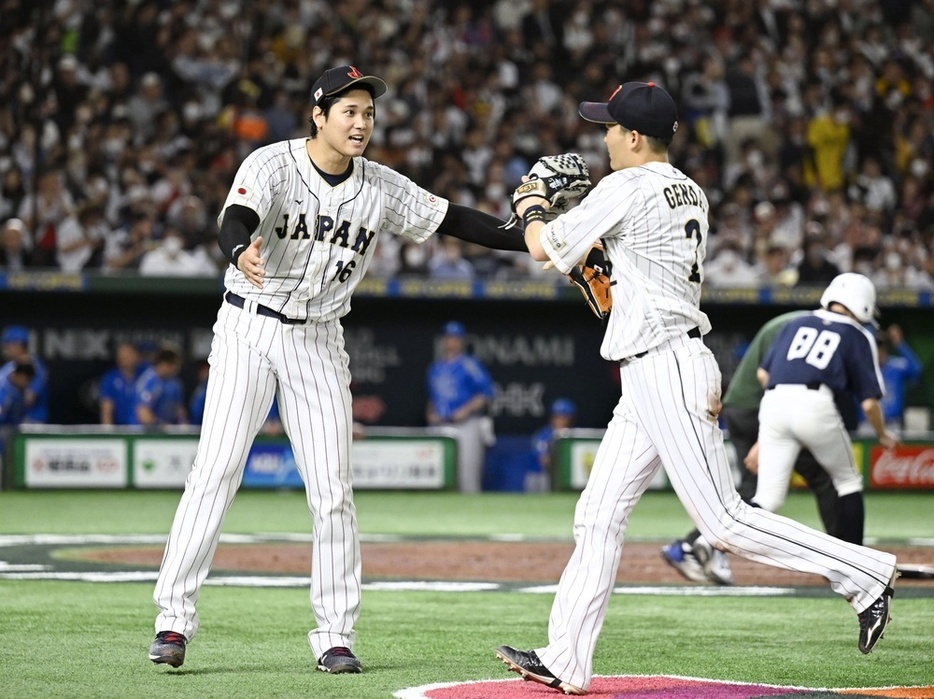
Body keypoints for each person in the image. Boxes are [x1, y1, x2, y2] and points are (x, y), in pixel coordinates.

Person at [494, 81, 898, 696]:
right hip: (653, 366)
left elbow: (541, 250)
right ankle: (565, 659)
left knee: (725, 519)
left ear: (633, 137)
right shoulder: (690, 188)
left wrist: (532, 203)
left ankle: (865, 572)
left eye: (608, 127)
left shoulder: (627, 184)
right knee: (597, 515)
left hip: (666, 365)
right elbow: (614, 263)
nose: (602, 136)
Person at [149, 65, 529, 674]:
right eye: (348, 111)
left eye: (368, 113)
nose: (361, 122)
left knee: (332, 493)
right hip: (250, 324)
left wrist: (528, 239)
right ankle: (173, 620)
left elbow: (454, 218)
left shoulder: (380, 186)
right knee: (215, 472)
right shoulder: (271, 164)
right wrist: (235, 249)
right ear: (318, 115)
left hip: (320, 340)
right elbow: (235, 219)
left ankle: (335, 634)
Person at [662, 309, 844, 586]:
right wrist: (765, 437)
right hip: (759, 410)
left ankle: (690, 546)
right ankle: (840, 560)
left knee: (754, 489)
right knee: (823, 478)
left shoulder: (797, 322)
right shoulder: (806, 327)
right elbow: (772, 377)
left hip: (749, 409)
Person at [752, 273, 899, 546]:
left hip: (773, 401)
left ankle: (702, 545)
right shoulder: (857, 333)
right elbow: (869, 403)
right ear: (863, 305)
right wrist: (882, 434)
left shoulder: (797, 322)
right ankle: (858, 564)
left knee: (767, 498)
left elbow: (763, 374)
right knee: (848, 481)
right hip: (814, 403)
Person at [425, 320, 495, 493]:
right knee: (438, 476)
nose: (450, 342)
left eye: (455, 338)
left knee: (467, 477)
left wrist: (465, 410)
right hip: (440, 425)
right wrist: (430, 413)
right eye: (448, 337)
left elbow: (486, 393)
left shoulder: (469, 364)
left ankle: (472, 517)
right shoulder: (436, 367)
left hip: (466, 426)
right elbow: (432, 396)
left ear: (461, 341)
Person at [857, 323, 923, 436]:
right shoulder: (861, 368)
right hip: (867, 425)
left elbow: (916, 370)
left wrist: (899, 343)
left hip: (892, 425)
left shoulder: (896, 365)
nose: (878, 352)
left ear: (885, 348)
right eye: (874, 348)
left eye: (880, 347)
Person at [0, 325, 49, 423]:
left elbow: (29, 399)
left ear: (19, 344)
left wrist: (13, 393)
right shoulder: (7, 368)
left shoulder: (34, 365)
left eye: (8, 344)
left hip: (30, 423)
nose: (5, 348)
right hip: (8, 424)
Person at [528, 398, 576, 493]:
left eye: (563, 417)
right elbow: (544, 460)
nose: (559, 420)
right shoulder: (544, 434)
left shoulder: (572, 435)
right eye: (556, 416)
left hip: (564, 478)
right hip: (540, 476)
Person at [134, 343, 188, 426]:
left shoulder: (174, 383)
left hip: (165, 432)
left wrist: (183, 424)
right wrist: (162, 426)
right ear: (165, 364)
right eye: (174, 364)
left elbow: (179, 409)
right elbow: (143, 414)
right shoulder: (149, 381)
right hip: (142, 433)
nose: (177, 368)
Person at [98, 341, 144, 425]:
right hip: (120, 427)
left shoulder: (145, 375)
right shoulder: (110, 378)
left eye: (128, 355)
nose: (124, 358)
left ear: (136, 356)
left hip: (142, 428)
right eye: (121, 355)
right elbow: (107, 407)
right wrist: (108, 432)